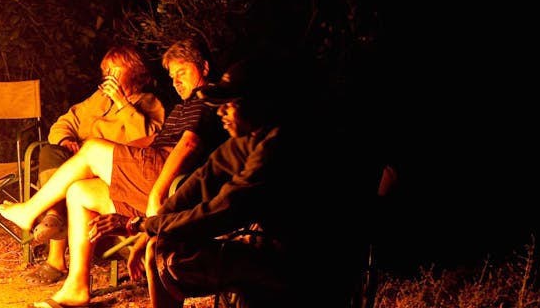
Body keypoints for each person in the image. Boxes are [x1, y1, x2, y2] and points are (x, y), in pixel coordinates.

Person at [92, 57, 370, 308]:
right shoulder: (247, 141)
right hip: (273, 246)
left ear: (258, 104)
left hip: (310, 262)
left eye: (230, 105)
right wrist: (148, 233)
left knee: (172, 256)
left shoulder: (280, 145)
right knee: (159, 247)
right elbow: (200, 183)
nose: (221, 113)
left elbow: (221, 211)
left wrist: (138, 225)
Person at [0, 39, 229, 307]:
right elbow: (150, 142)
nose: (176, 81)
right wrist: (114, 154)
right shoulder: (182, 106)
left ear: (205, 68)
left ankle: (30, 211)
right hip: (149, 174)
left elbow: (188, 145)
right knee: (79, 191)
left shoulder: (208, 100)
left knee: (93, 149)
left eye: (183, 72)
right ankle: (76, 289)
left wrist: (157, 197)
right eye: (172, 75)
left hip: (168, 183)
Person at [25, 44, 167, 285]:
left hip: (112, 173)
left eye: (115, 69)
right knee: (50, 151)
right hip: (77, 163)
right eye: (106, 70)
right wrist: (67, 139)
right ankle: (54, 218)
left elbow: (148, 141)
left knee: (73, 181)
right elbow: (63, 122)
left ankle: (55, 258)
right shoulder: (98, 99)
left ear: (135, 72)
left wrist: (122, 104)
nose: (109, 75)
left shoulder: (149, 103)